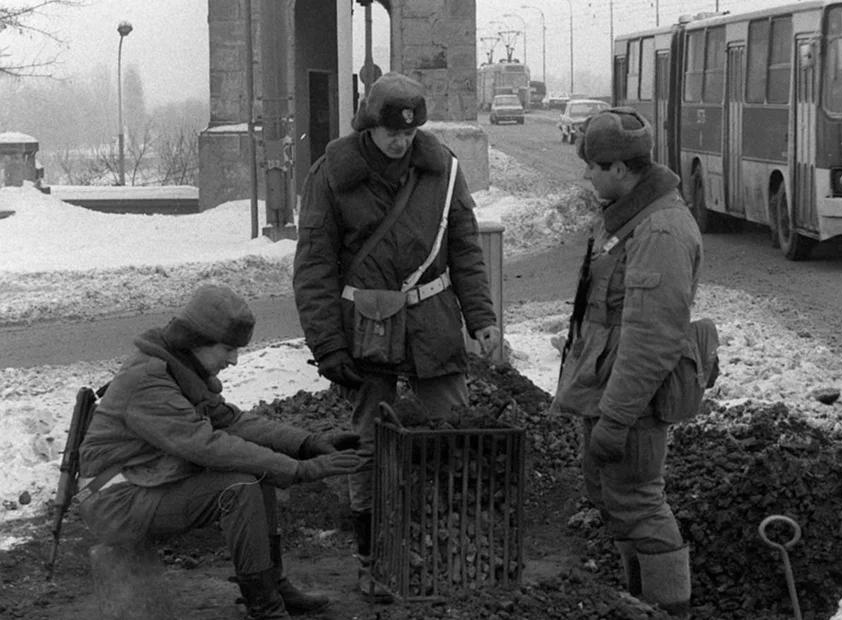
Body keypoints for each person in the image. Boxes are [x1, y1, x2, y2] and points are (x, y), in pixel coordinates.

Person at [293, 71, 502, 601]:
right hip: (366, 329)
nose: (400, 141)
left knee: (453, 431)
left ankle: (453, 546)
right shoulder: (330, 175)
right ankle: (372, 560)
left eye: (409, 133)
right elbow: (314, 268)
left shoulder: (444, 171)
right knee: (369, 448)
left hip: (432, 320)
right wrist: (328, 346)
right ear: (369, 123)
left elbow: (466, 252)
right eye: (390, 131)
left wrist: (482, 319)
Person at [77, 284, 364, 620]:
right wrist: (302, 470)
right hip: (114, 501)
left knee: (257, 466)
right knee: (238, 487)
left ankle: (271, 585)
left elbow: (233, 423)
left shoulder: (179, 367)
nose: (234, 359)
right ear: (196, 340)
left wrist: (308, 442)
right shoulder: (149, 379)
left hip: (146, 481)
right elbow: (208, 446)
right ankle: (265, 607)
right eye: (227, 348)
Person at [552, 106, 702, 617]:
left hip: (630, 400)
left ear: (620, 170)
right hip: (608, 389)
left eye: (593, 166)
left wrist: (615, 419)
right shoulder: (629, 219)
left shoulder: (659, 231)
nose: (587, 174)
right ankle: (640, 602)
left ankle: (669, 608)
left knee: (639, 504)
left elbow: (651, 339)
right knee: (616, 501)